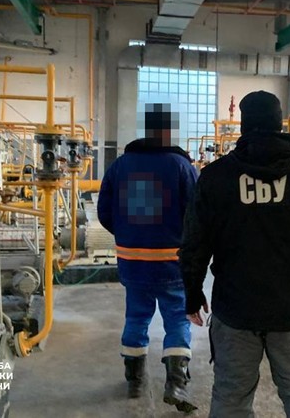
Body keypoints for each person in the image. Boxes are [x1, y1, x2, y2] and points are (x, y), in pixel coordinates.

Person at [178, 91, 290, 418]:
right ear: (279, 123)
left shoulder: (216, 177)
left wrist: (192, 292)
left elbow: (194, 243)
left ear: (243, 126)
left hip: (236, 311)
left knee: (231, 397)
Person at [97, 103, 198, 412]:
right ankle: (176, 383)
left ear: (146, 129)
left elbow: (104, 212)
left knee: (136, 317)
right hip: (172, 262)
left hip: (133, 261)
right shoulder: (181, 166)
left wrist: (129, 235)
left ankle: (134, 379)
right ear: (169, 132)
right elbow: (197, 214)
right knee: (177, 318)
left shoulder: (120, 165)